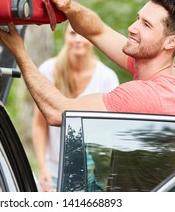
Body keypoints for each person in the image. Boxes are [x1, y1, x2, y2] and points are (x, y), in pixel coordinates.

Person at [0, 0, 175, 127]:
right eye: (137, 18)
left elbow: (58, 112)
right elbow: (98, 30)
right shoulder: (173, 76)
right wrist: (68, 6)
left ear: (172, 42)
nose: (132, 27)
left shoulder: (149, 96)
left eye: (146, 25)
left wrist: (19, 51)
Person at [32, 22, 119, 191]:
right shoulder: (49, 70)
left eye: (84, 35)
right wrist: (42, 169)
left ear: (93, 39)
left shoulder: (107, 77)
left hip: (92, 175)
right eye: (72, 34)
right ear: (65, 36)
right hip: (54, 173)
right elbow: (39, 125)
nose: (78, 39)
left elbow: (111, 134)